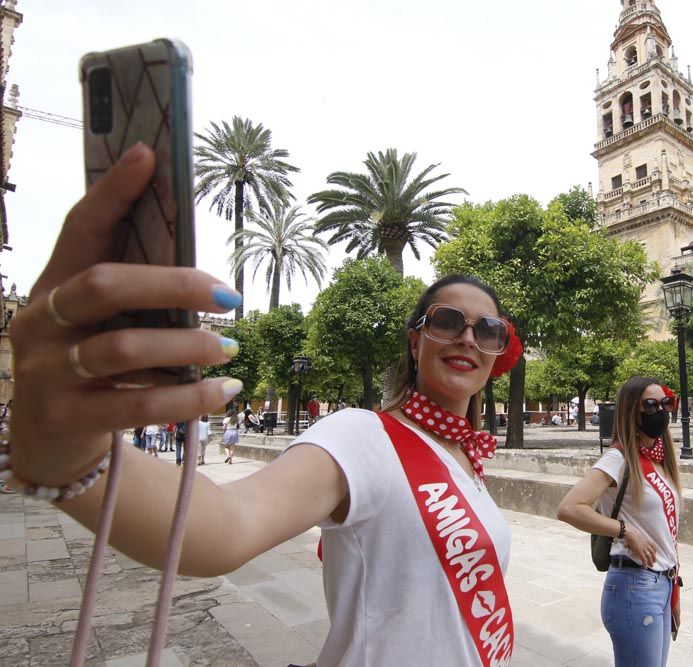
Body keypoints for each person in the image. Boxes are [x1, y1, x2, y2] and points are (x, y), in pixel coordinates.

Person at [6, 152, 520, 665]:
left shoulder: (467, 457)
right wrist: (74, 458)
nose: (469, 338)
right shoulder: (363, 437)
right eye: (449, 321)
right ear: (416, 341)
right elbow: (228, 524)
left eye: (488, 330)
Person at [557, 377, 682, 667]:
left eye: (665, 403)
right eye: (650, 405)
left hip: (661, 584)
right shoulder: (619, 457)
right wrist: (625, 532)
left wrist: (674, 591)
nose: (660, 411)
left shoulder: (661, 459)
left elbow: (667, 531)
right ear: (631, 412)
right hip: (634, 586)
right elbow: (569, 508)